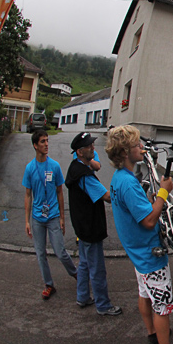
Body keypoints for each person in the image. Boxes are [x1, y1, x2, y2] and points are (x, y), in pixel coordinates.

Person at [106, 125, 173, 344]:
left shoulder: (119, 178)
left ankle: (151, 333)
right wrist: (163, 193)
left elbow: (135, 209)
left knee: (144, 293)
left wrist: (152, 201)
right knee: (162, 306)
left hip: (137, 252)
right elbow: (148, 221)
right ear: (125, 151)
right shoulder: (128, 183)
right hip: (149, 254)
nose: (141, 147)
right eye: (136, 144)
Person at [65, 132, 121, 316]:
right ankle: (103, 305)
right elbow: (107, 197)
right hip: (90, 228)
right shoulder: (85, 176)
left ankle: (82, 297)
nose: (92, 148)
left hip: (82, 227)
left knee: (84, 263)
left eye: (92, 145)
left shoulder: (75, 167)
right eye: (89, 146)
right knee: (97, 268)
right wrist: (125, 190)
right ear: (80, 152)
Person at [23, 130, 77, 300]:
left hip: (53, 216)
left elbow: (60, 192)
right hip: (37, 219)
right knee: (40, 254)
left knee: (60, 252)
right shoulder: (30, 168)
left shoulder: (54, 166)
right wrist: (27, 221)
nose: (46, 144)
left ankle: (77, 274)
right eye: (42, 141)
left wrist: (62, 217)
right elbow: (28, 195)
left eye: (47, 141)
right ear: (35, 145)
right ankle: (49, 285)